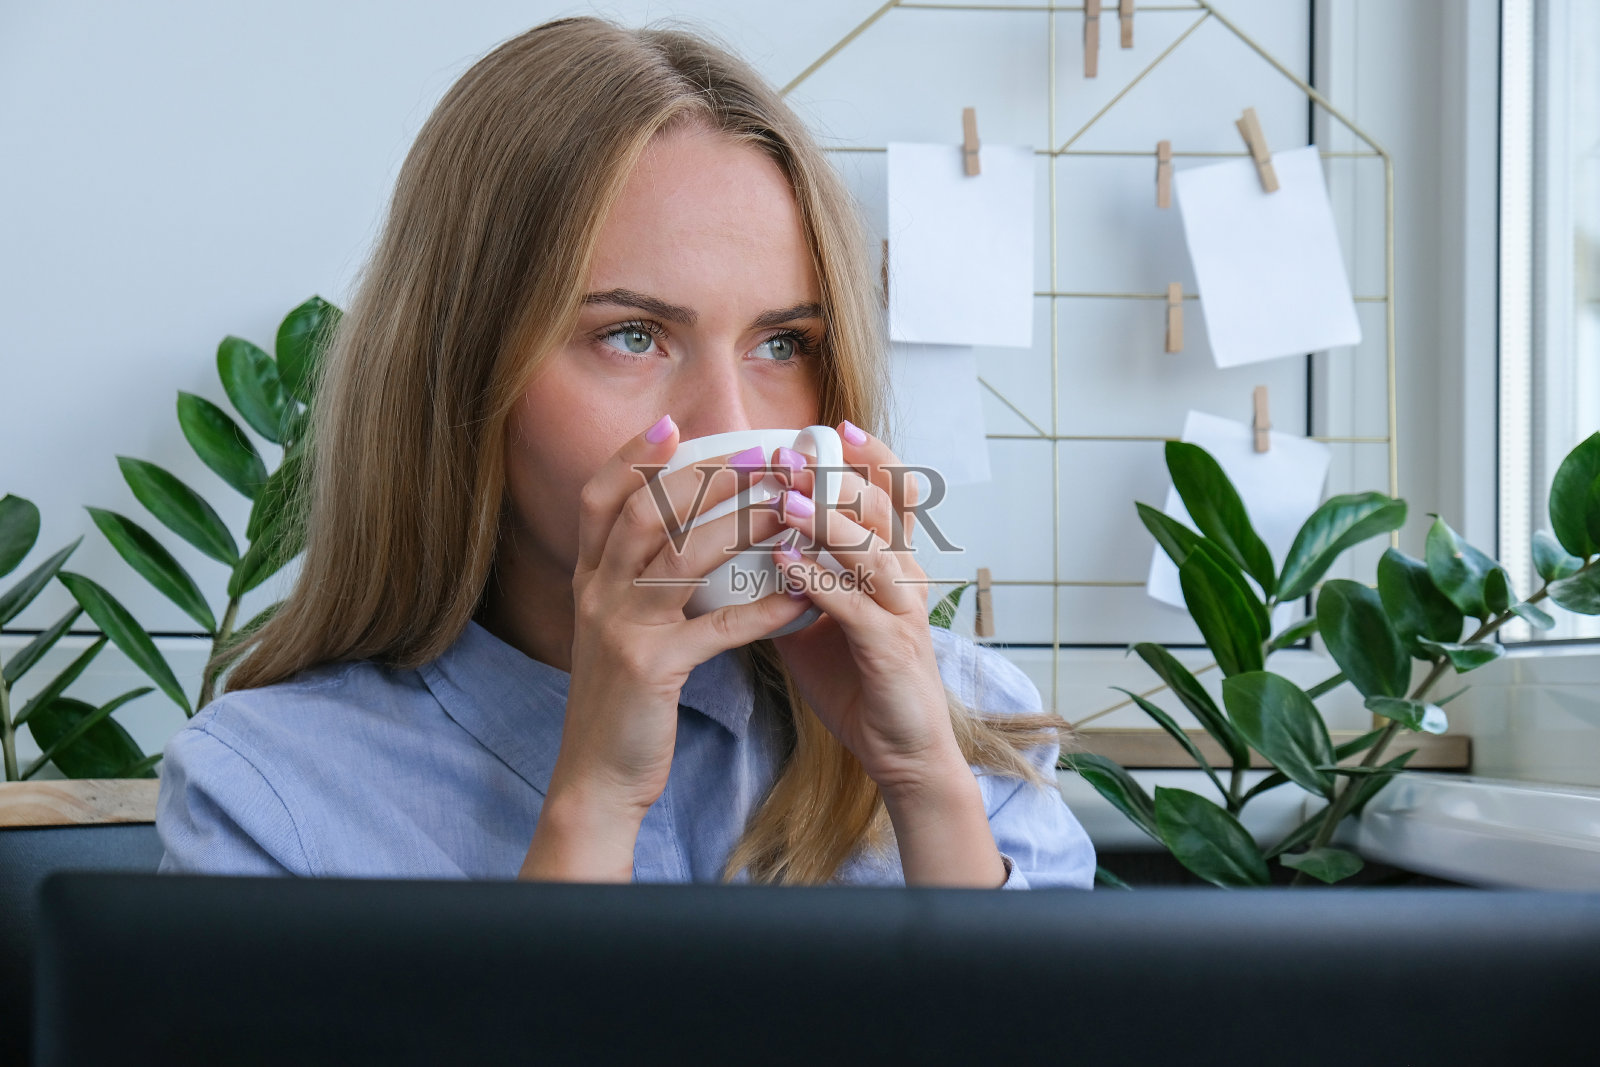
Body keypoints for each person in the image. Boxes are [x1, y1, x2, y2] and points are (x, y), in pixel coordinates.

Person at [155, 16, 1095, 889]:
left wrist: (925, 782)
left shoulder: (961, 714)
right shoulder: (270, 792)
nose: (729, 426)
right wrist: (594, 802)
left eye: (782, 345)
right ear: (461, 374)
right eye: (634, 336)